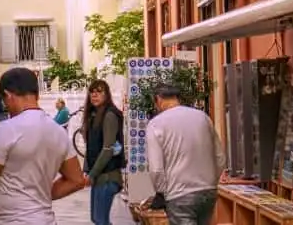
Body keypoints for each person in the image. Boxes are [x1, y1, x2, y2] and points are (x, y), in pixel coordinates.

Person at [0, 67, 87, 224]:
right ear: (37, 94)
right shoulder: (59, 132)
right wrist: (39, 197)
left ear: (8, 95)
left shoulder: (7, 129)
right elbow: (77, 180)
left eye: (4, 101)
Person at [145, 85, 221, 225]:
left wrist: (163, 192)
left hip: (179, 194)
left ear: (158, 99)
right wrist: (212, 181)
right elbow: (219, 157)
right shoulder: (203, 117)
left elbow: (156, 169)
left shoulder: (155, 124)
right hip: (208, 191)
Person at [79, 80, 127, 225]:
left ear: (106, 95)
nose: (95, 95)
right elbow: (91, 148)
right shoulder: (94, 116)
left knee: (100, 220)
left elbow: (108, 149)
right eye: (92, 92)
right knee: (97, 219)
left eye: (99, 92)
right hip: (100, 177)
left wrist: (91, 174)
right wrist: (87, 171)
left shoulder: (109, 115)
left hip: (108, 177)